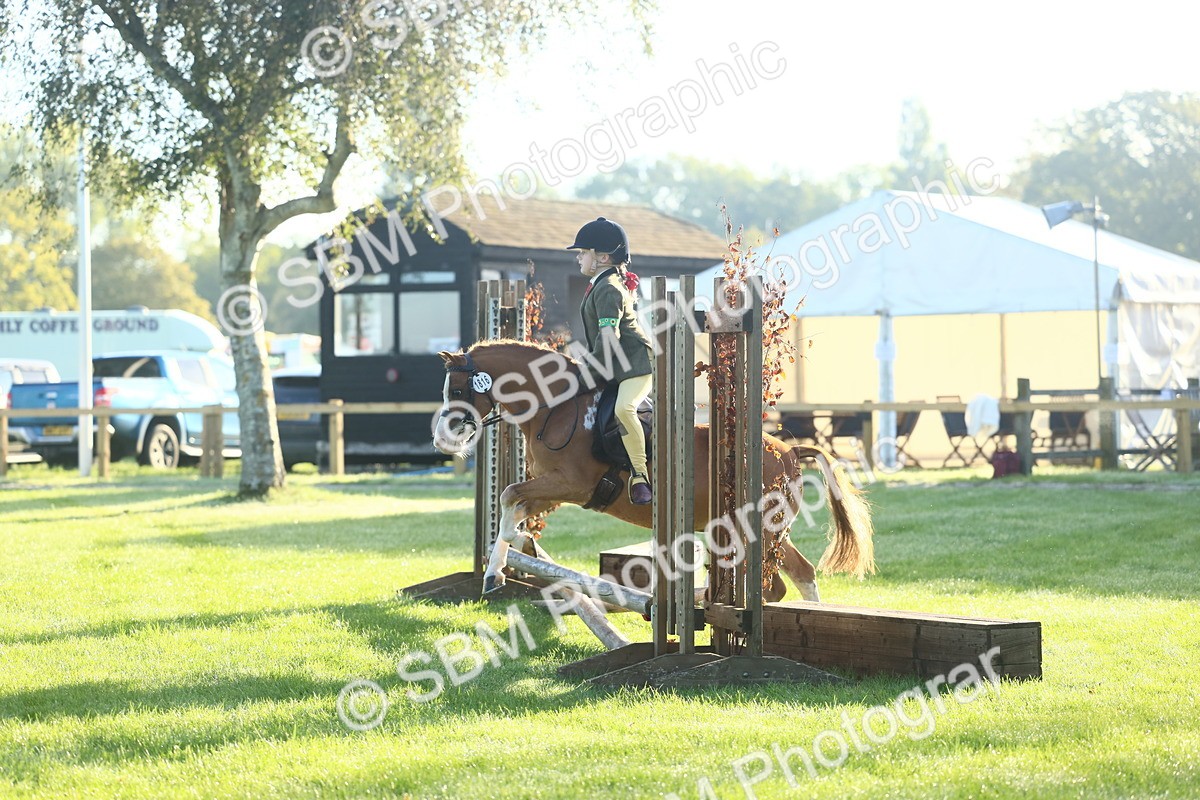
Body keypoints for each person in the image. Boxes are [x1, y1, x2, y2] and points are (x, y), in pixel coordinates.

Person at [566, 217, 655, 505]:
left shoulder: (609, 288)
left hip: (634, 368)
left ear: (603, 257)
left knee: (623, 409)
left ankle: (640, 476)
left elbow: (609, 340)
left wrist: (585, 373)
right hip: (615, 366)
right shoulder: (601, 283)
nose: (579, 257)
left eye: (583, 252)